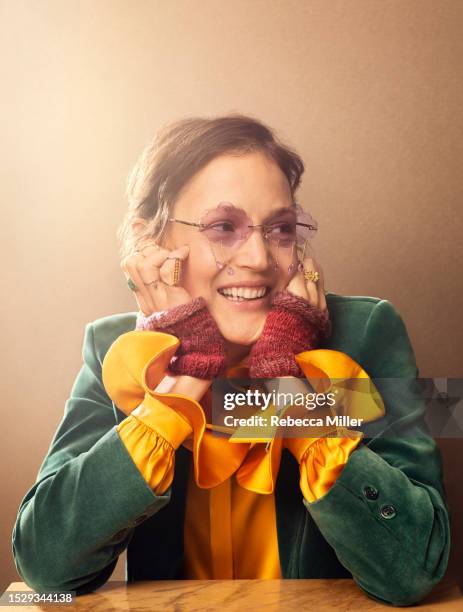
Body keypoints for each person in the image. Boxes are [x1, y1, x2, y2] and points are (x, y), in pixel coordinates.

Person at [12, 114, 450, 606]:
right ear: (149, 241)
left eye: (281, 229)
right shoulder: (118, 350)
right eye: (223, 227)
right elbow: (47, 568)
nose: (260, 258)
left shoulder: (363, 335)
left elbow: (414, 570)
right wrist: (182, 381)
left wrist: (287, 380)